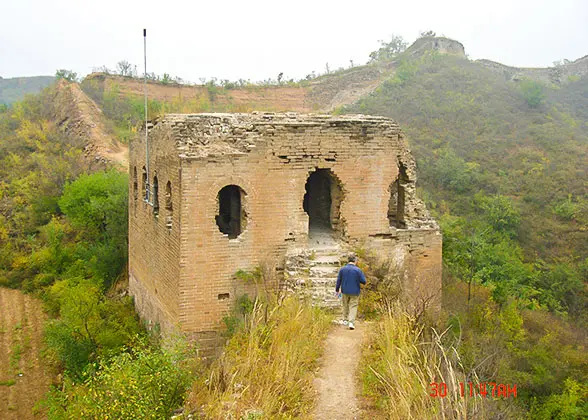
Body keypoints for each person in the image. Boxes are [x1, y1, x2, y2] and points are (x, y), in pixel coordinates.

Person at [335, 253, 367, 330]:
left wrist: (337, 290)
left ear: (348, 260)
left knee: (345, 305)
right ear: (355, 261)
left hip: (344, 290)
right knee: (353, 306)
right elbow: (364, 281)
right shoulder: (358, 270)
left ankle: (345, 320)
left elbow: (338, 280)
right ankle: (351, 322)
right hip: (355, 291)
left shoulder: (342, 269)